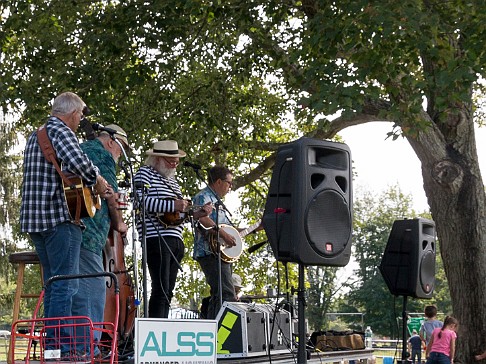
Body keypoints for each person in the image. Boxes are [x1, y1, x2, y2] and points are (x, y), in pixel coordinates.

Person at [20, 92, 109, 358]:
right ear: (71, 113)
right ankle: (62, 349)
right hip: (59, 218)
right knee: (65, 285)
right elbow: (79, 163)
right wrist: (99, 181)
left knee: (53, 284)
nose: (81, 120)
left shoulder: (35, 135)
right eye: (80, 115)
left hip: (36, 220)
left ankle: (52, 349)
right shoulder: (62, 131)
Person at [134, 140, 211, 318]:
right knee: (160, 289)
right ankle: (155, 328)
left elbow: (176, 216)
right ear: (158, 159)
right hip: (155, 237)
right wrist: (173, 205)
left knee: (168, 290)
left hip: (175, 239)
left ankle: (162, 327)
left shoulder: (173, 182)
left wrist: (196, 214)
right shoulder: (145, 173)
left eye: (176, 161)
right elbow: (140, 201)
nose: (175, 164)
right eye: (171, 161)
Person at [72, 125, 129, 357]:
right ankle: (88, 349)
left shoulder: (80, 148)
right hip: (89, 234)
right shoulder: (103, 155)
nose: (119, 155)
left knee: (72, 289)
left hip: (71, 229)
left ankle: (72, 347)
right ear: (112, 143)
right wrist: (119, 223)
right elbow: (113, 197)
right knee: (93, 288)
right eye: (121, 149)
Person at [192, 165, 239, 319]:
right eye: (229, 183)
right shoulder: (203, 197)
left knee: (220, 295)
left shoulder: (219, 203)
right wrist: (224, 234)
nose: (230, 187)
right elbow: (201, 219)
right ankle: (221, 335)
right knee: (226, 294)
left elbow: (228, 229)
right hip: (208, 251)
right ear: (218, 181)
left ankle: (213, 331)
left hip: (221, 253)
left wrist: (255, 228)